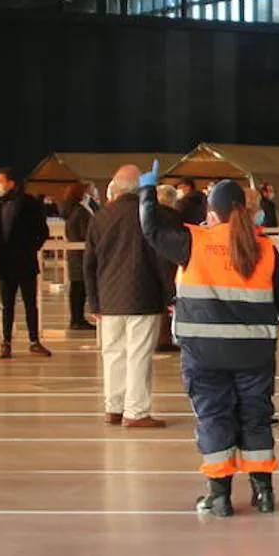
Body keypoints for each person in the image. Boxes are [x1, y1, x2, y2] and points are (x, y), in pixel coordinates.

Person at [139, 165, 279, 517]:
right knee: (256, 417)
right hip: (255, 352)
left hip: (204, 353)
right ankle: (264, 494)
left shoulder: (193, 242)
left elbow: (152, 230)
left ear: (211, 213)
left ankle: (219, 496)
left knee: (214, 417)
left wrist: (148, 192)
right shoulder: (264, 247)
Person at [84, 166, 171, 429]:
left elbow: (89, 263)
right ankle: (136, 412)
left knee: (113, 354)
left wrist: (94, 301)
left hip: (109, 298)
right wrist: (170, 295)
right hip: (142, 295)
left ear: (116, 187)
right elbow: (161, 259)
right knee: (139, 355)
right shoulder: (148, 214)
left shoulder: (99, 217)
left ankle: (113, 407)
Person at [0, 168, 51, 360]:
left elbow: (42, 231)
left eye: (0, 181)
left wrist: (29, 248)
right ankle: (6, 343)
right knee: (7, 305)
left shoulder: (30, 204)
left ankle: (34, 341)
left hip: (24, 262)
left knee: (31, 304)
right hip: (3, 264)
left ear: (12, 183)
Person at [62, 182, 97, 331]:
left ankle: (76, 318)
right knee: (80, 289)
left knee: (76, 288)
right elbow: (86, 233)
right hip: (81, 255)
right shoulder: (81, 212)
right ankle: (77, 319)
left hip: (74, 255)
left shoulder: (70, 210)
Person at [154, 185, 184, 354]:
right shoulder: (174, 217)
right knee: (168, 301)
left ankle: (158, 337)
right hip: (169, 261)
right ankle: (164, 338)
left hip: (151, 262)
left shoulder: (149, 216)